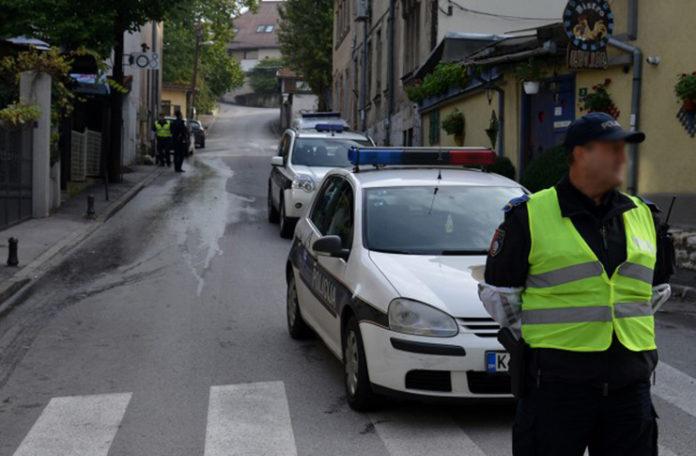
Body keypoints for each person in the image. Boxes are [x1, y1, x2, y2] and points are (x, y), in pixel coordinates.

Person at [479, 112, 675, 456]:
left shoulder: (645, 215)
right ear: (579, 155)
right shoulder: (529, 216)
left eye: (623, 149)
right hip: (555, 390)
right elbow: (499, 297)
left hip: (629, 391)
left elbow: (656, 291)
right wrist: (552, 343)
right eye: (610, 148)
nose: (621, 158)